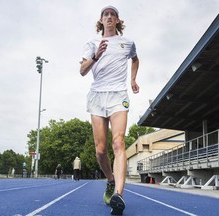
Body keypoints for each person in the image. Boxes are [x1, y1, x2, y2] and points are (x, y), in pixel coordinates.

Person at [79, 5, 139, 215]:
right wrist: (96, 56)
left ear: (118, 20)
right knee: (100, 150)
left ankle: (119, 195)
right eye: (106, 14)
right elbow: (82, 71)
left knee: (118, 142)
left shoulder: (127, 43)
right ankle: (111, 180)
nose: (110, 17)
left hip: (118, 96)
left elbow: (135, 59)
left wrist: (132, 79)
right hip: (97, 96)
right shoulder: (92, 43)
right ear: (101, 21)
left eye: (113, 14)